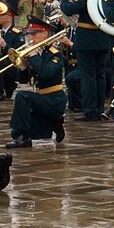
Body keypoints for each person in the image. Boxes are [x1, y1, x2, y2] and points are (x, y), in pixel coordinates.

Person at [5, 16, 67, 149]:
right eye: (29, 34)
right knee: (38, 133)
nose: (31, 38)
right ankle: (54, 122)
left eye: (34, 34)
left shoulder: (55, 54)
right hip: (42, 98)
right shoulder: (37, 53)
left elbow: (45, 74)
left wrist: (33, 57)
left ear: (45, 33)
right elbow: (22, 80)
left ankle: (21, 137)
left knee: (22, 97)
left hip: (55, 99)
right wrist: (24, 66)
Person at [61, 0, 111, 123]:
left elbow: (68, 9)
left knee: (88, 76)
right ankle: (100, 109)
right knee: (100, 76)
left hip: (86, 40)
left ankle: (90, 111)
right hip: (102, 38)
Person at [0, 3, 24, 100]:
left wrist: (4, 45)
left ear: (9, 16)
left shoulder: (17, 32)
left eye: (1, 14)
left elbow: (18, 52)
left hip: (11, 65)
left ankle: (1, 91)